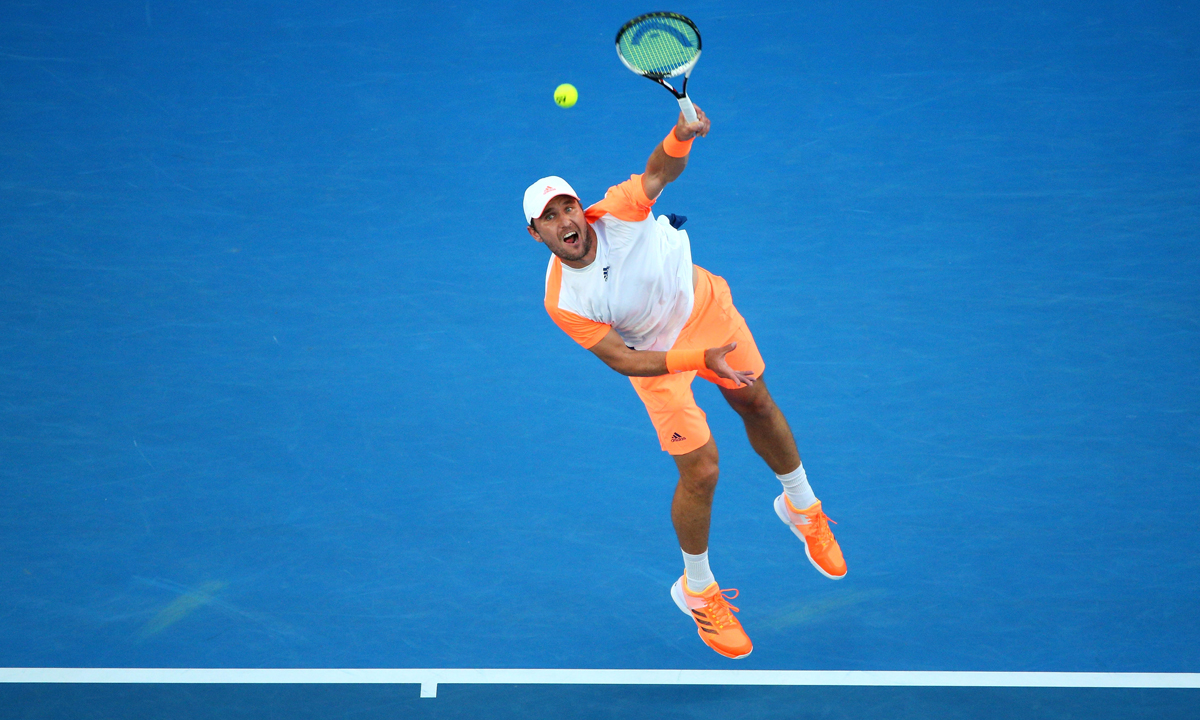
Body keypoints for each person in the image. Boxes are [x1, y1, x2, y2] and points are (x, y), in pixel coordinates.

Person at [523, 106, 846, 660]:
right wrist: (700, 359)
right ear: (537, 235)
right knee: (701, 469)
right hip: (656, 354)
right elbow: (624, 361)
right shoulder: (563, 300)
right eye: (549, 217)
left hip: (703, 306)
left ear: (581, 208)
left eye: (567, 206)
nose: (564, 220)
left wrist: (681, 134)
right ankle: (697, 590)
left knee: (756, 402)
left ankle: (802, 507)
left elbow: (657, 172)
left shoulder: (620, 210)